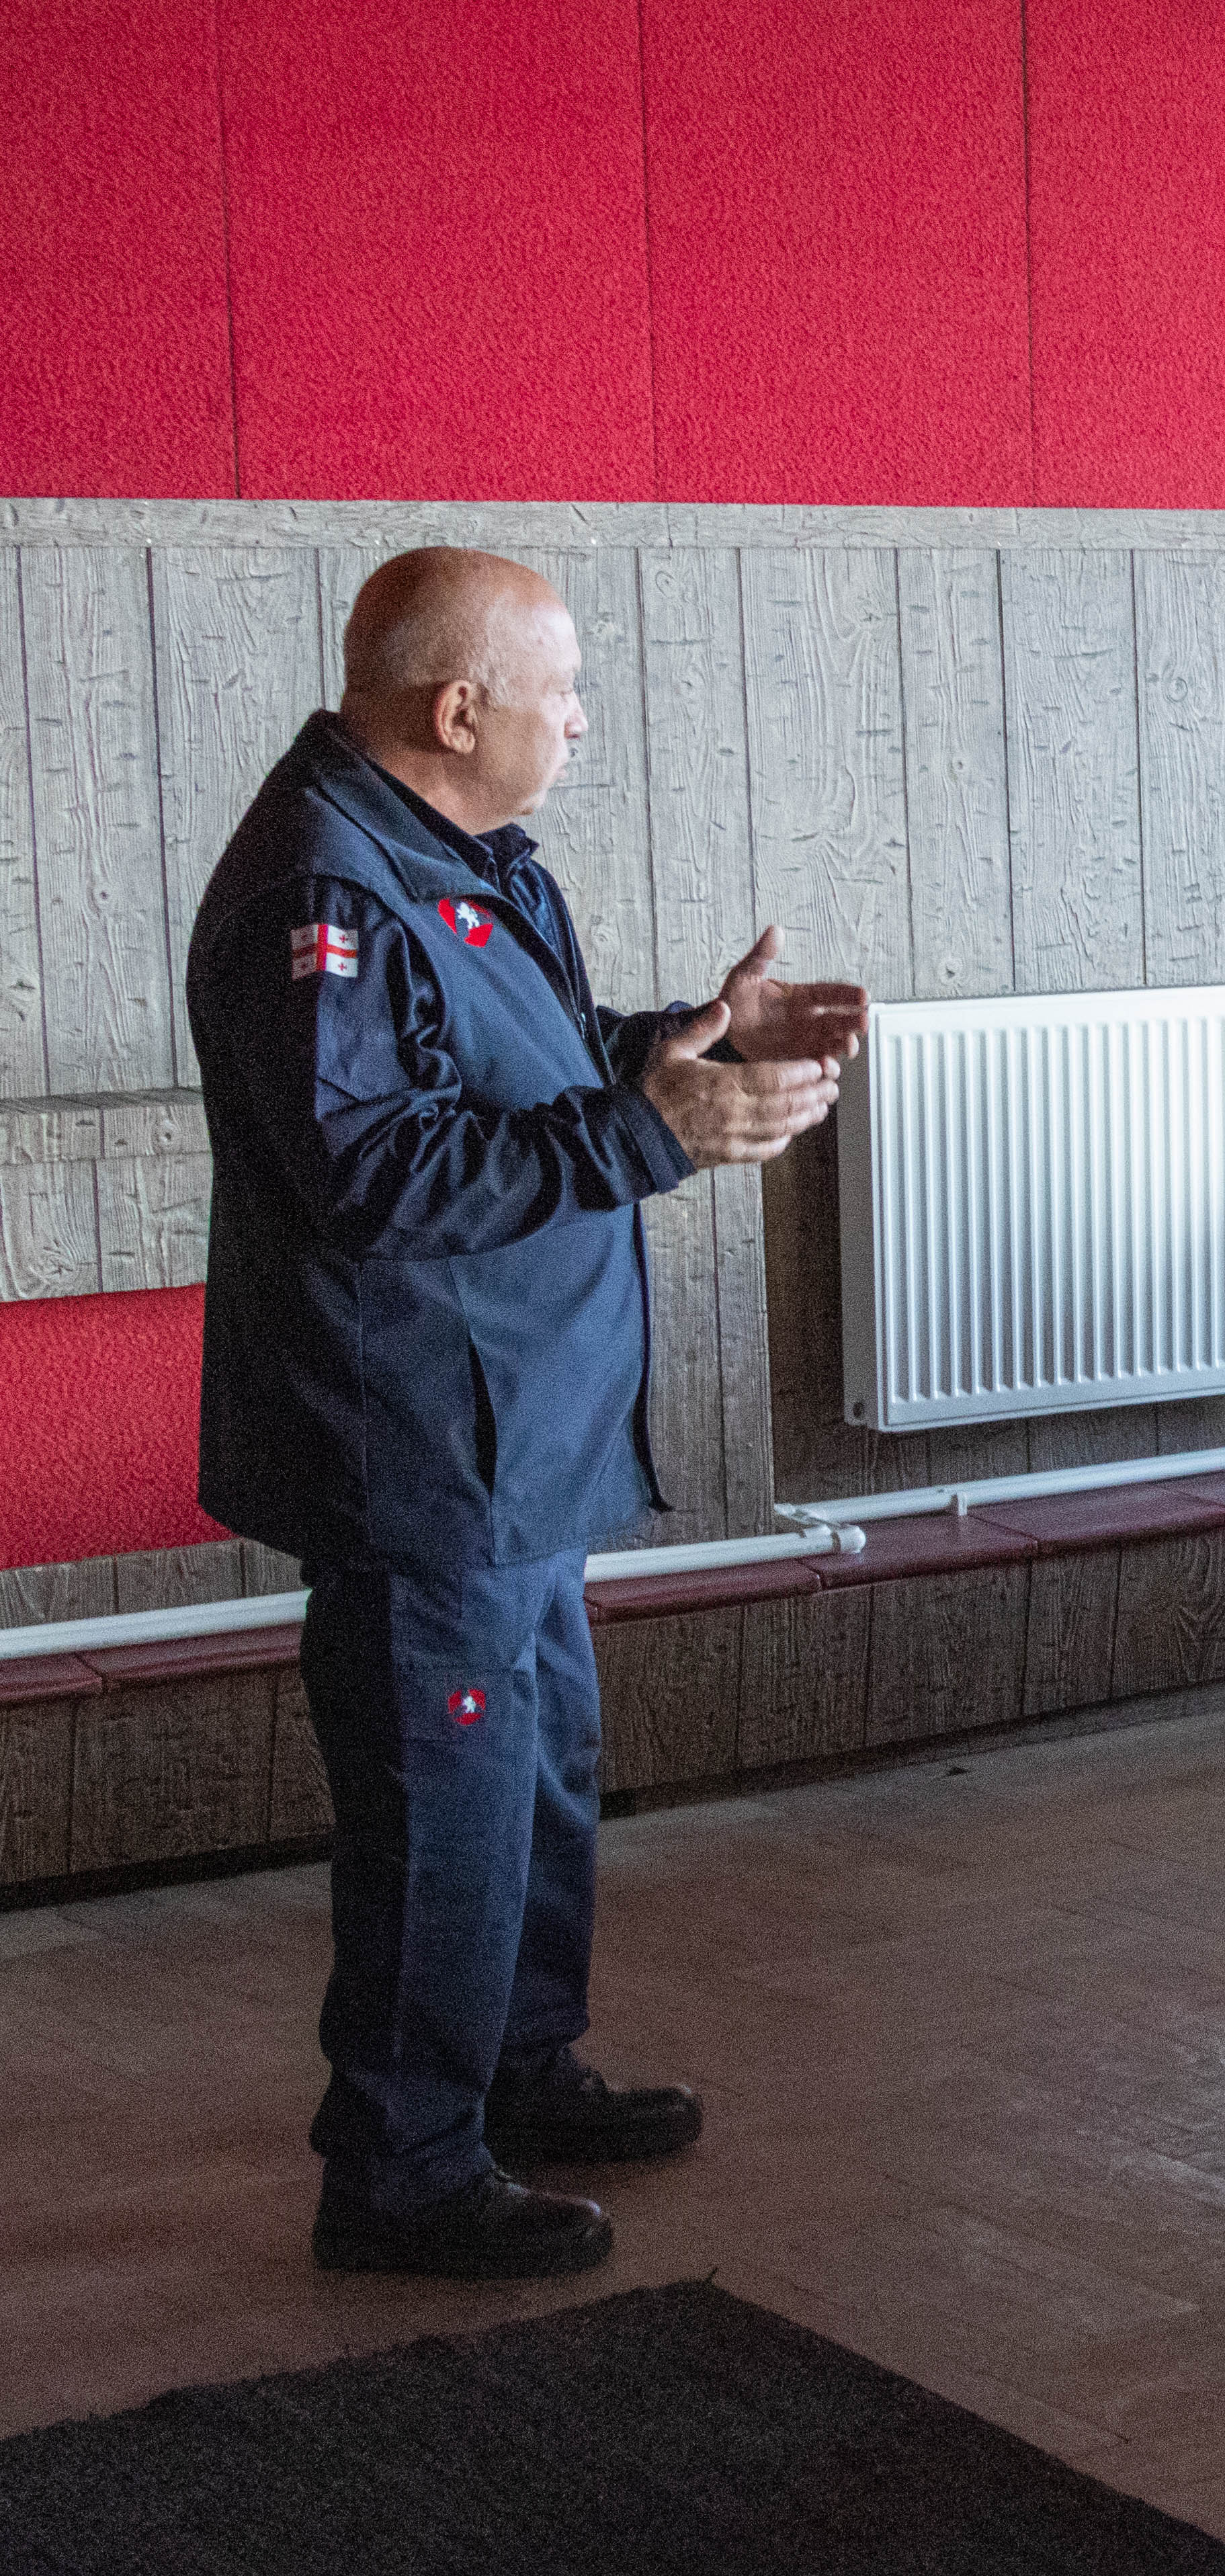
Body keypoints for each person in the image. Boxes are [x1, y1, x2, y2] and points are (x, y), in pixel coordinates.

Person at [189, 548, 863, 2279]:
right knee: (446, 1811)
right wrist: (655, 1134)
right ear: (456, 707)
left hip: (519, 1444)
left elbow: (527, 1068)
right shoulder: (324, 888)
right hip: (423, 1448)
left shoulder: (466, 856)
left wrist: (693, 1044)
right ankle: (401, 2170)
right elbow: (368, 1168)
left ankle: (517, 2073)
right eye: (558, 692)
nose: (579, 721)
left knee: (535, 1773)